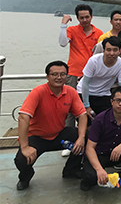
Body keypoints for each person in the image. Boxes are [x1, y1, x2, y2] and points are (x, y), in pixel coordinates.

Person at [14, 61, 87, 190]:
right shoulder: (38, 92)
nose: (59, 77)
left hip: (58, 134)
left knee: (86, 136)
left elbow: (82, 115)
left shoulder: (70, 92)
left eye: (63, 74)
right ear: (47, 77)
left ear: (67, 76)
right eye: (54, 74)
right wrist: (24, 146)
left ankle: (71, 170)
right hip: (36, 137)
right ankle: (25, 177)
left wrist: (81, 138)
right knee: (21, 160)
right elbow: (23, 117)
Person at [81, 86, 121, 190]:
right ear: (112, 102)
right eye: (118, 100)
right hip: (99, 155)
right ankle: (87, 174)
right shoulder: (100, 119)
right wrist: (99, 170)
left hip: (116, 152)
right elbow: (89, 148)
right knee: (91, 179)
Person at [77, 36, 121, 118]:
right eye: (108, 50)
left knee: (107, 119)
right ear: (103, 50)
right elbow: (85, 84)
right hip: (84, 92)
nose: (112, 53)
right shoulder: (94, 61)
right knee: (87, 120)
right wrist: (87, 106)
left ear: (119, 51)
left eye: (115, 50)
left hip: (104, 94)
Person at [59, 4, 103, 90]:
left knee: (88, 97)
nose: (85, 20)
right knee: (70, 97)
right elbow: (62, 43)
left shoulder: (99, 33)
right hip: (73, 73)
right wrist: (63, 24)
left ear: (91, 16)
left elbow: (100, 55)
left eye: (87, 17)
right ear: (77, 18)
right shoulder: (72, 30)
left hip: (91, 73)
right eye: (82, 18)